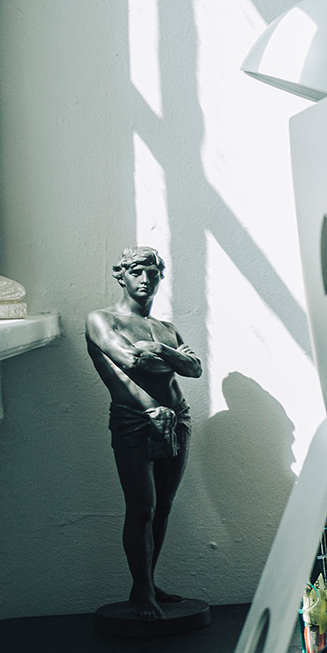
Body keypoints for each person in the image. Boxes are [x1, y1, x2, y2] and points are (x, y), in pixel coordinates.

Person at [87, 246, 202, 620]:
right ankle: (141, 591)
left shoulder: (164, 329)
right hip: (134, 420)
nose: (145, 279)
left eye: (152, 273)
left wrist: (159, 349)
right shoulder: (102, 320)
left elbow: (195, 369)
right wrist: (171, 356)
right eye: (137, 272)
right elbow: (131, 359)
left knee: (163, 508)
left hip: (177, 418)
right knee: (141, 508)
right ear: (121, 275)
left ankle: (148, 584)